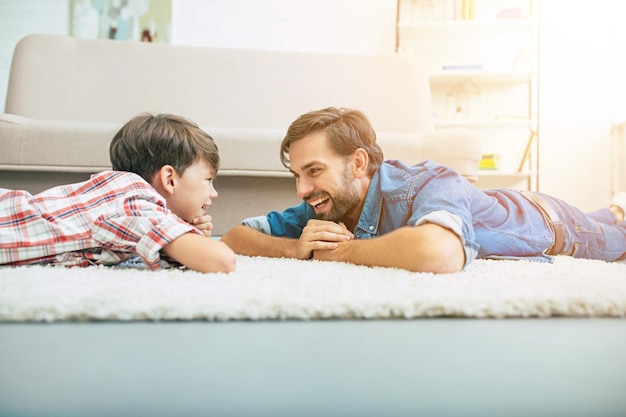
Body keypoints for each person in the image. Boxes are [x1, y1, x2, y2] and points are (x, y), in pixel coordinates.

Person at [221, 107, 626, 274]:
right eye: (297, 175)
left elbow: (439, 252)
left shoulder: (430, 181)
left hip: (547, 221)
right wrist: (294, 249)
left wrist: (339, 252)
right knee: (609, 215)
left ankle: (615, 214)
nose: (301, 190)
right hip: (492, 204)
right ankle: (613, 209)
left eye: (313, 171)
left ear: (359, 163)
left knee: (618, 239)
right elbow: (234, 237)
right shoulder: (326, 204)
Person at [0, 113, 236, 273]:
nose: (213, 193)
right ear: (169, 179)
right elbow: (222, 261)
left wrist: (184, 233)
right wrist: (189, 239)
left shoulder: (119, 195)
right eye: (208, 180)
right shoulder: (137, 202)